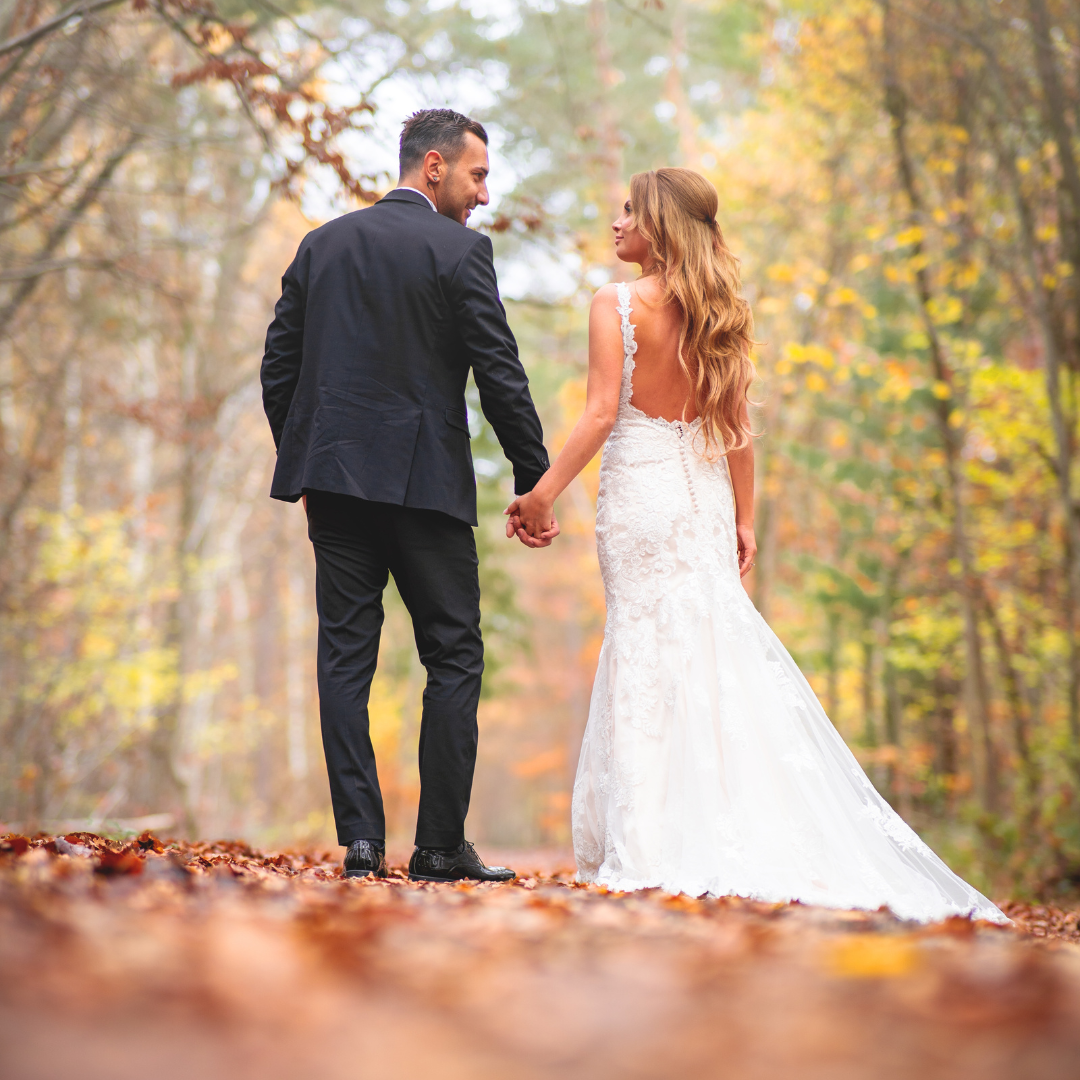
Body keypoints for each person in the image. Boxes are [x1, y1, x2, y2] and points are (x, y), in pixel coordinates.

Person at [506, 167, 1007, 923]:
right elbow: (737, 429)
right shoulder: (721, 312)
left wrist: (543, 492)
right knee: (709, 647)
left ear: (660, 224)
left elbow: (602, 413)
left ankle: (653, 835)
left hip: (641, 499)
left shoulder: (615, 304)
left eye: (629, 211)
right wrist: (745, 520)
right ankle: (723, 819)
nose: (616, 222)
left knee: (644, 644)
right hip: (704, 499)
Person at [262, 109, 555, 883]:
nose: (484, 194)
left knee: (344, 657)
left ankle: (361, 841)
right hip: (426, 487)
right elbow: (499, 372)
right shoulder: (460, 251)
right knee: (453, 655)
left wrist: (309, 460)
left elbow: (278, 366)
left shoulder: (322, 245)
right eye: (477, 175)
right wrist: (534, 480)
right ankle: (438, 847)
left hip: (335, 483)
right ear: (434, 166)